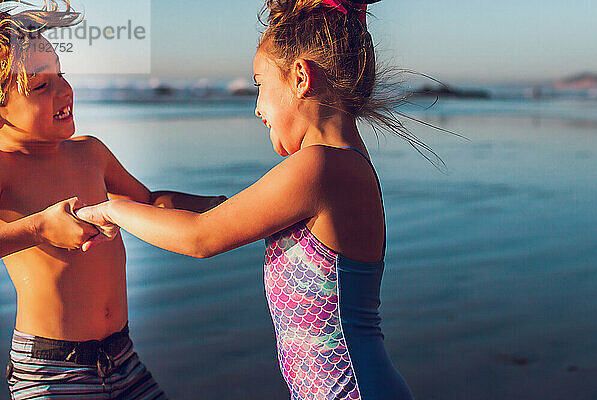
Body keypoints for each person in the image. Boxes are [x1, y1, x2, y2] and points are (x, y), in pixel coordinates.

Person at [77, 0, 417, 398]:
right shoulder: (338, 166)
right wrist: (144, 200)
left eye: (260, 84)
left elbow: (201, 237)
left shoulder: (322, 166)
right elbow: (221, 212)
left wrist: (111, 211)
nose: (257, 108)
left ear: (300, 78)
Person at [0, 2, 224, 399]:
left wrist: (225, 206)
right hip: (52, 371)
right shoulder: (5, 168)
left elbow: (149, 201)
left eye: (60, 73)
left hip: (124, 358)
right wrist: (38, 227)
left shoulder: (90, 152)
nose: (63, 89)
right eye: (40, 85)